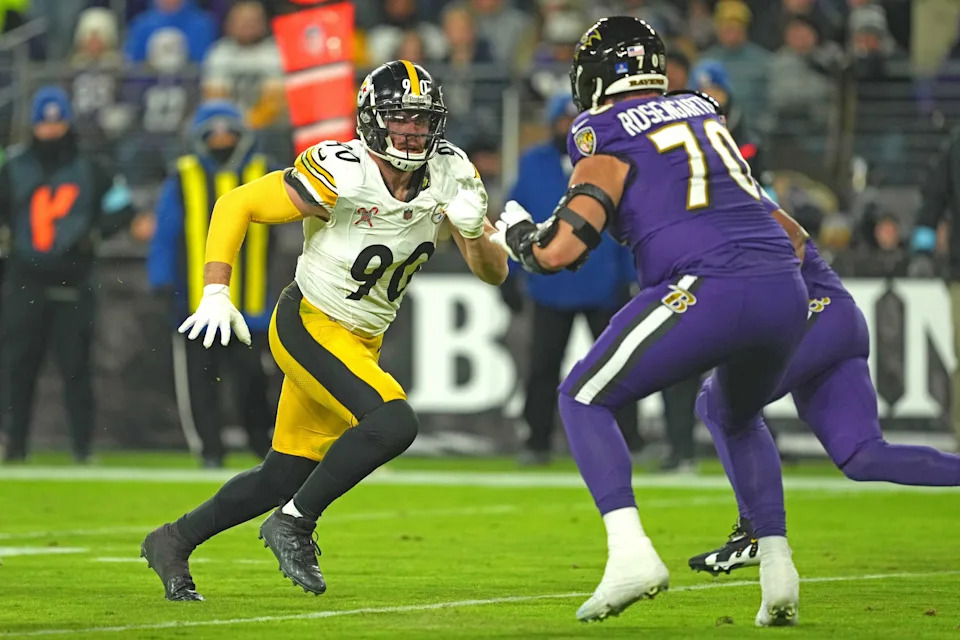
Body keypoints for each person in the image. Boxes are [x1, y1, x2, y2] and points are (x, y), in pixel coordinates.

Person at [141, 60, 507, 601]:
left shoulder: (452, 171)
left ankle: (172, 541)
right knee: (392, 421)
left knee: (282, 474)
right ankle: (294, 523)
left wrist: (477, 235)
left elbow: (492, 273)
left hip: (362, 336)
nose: (411, 130)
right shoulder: (343, 169)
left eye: (421, 120)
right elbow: (235, 202)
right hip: (309, 322)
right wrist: (217, 289)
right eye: (399, 118)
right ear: (371, 120)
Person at [492, 18, 808, 626]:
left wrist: (521, 238)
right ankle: (777, 568)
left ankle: (630, 554)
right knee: (731, 412)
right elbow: (790, 232)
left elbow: (562, 250)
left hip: (710, 282)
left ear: (595, 76)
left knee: (582, 395)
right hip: (783, 284)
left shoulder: (600, 129)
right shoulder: (701, 109)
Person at [690, 198, 960, 576]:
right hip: (833, 320)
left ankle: (754, 531)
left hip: (814, 312)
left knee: (717, 402)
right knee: (862, 457)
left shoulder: (723, 189)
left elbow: (792, 240)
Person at [504, 91, 642, 466]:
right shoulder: (534, 163)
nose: (567, 127)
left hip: (603, 284)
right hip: (550, 285)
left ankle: (630, 439)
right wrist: (510, 274)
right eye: (561, 121)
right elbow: (516, 217)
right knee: (543, 369)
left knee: (617, 368)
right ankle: (536, 440)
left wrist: (630, 275)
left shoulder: (604, 161)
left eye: (572, 120)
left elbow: (625, 222)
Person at [0, 87, 135, 463]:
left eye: (57, 121)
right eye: (45, 122)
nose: (50, 129)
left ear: (68, 123)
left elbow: (123, 208)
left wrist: (95, 233)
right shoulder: (13, 166)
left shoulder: (91, 167)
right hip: (24, 279)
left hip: (73, 281)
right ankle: (13, 445)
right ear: (34, 125)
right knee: (16, 369)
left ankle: (81, 447)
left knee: (76, 369)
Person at [148, 100, 280, 467]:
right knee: (200, 383)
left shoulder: (262, 172)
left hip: (249, 304)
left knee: (254, 382)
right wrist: (161, 279)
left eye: (229, 133)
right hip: (197, 304)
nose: (222, 140)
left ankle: (263, 446)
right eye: (214, 134)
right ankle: (209, 451)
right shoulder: (184, 174)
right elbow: (166, 233)